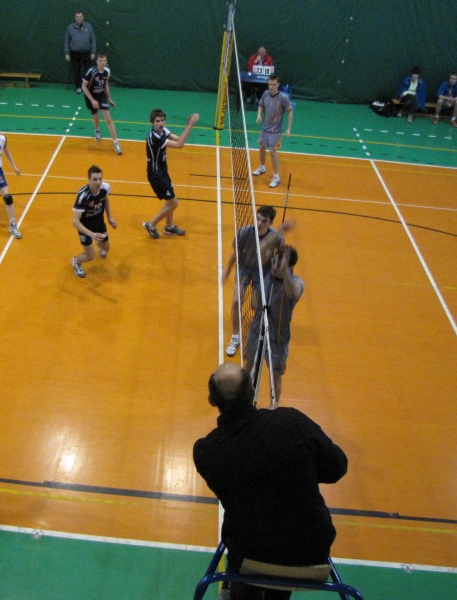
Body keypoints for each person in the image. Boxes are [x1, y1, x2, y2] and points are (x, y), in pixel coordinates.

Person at [193, 363, 348, 600]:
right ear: (252, 392)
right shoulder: (292, 423)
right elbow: (337, 468)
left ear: (212, 401)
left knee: (252, 551)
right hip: (310, 552)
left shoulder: (206, 452)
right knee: (280, 557)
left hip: (248, 557)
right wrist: (297, 465)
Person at [224, 205, 294, 357]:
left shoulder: (277, 238)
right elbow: (235, 253)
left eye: (264, 221)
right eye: (258, 219)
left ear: (271, 223)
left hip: (263, 271)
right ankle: (235, 338)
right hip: (243, 268)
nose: (260, 223)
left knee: (257, 305)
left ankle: (254, 336)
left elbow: (279, 257)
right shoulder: (245, 232)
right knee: (236, 300)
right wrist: (227, 271)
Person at [244, 245, 303, 407]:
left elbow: (294, 293)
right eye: (275, 262)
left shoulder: (296, 283)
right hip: (257, 331)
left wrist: (284, 273)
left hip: (277, 338)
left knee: (275, 375)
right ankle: (244, 400)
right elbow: (254, 304)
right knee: (249, 366)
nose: (275, 267)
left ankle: (273, 407)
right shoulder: (266, 277)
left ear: (290, 268)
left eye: (280, 265)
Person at [142, 109, 200, 239]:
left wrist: (188, 126)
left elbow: (179, 138)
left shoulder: (163, 131)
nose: (160, 123)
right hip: (156, 175)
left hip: (162, 172)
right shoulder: (155, 137)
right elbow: (179, 145)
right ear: (152, 122)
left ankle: (169, 227)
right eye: (157, 121)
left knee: (170, 200)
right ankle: (151, 225)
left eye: (162, 120)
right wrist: (190, 125)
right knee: (173, 203)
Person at [71, 165, 117, 278]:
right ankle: (76, 262)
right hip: (84, 226)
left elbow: (105, 199)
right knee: (90, 256)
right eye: (95, 179)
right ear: (89, 180)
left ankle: (98, 243)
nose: (98, 182)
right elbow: (75, 222)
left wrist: (110, 217)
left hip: (98, 222)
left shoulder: (105, 188)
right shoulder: (83, 196)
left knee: (106, 249)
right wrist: (91, 234)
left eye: (100, 179)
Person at [252, 75, 293, 189]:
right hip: (265, 129)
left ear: (278, 85)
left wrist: (288, 128)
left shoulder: (283, 98)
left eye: (274, 85)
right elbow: (260, 105)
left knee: (272, 151)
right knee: (262, 148)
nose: (271, 87)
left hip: (275, 131)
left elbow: (290, 112)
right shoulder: (265, 94)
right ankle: (262, 167)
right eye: (270, 84)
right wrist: (259, 115)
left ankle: (276, 176)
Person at [82, 54, 122, 155]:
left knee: (108, 119)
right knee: (95, 116)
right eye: (100, 60)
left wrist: (109, 99)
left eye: (104, 60)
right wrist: (92, 100)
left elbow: (106, 85)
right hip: (90, 96)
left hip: (101, 96)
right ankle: (97, 130)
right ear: (97, 61)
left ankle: (116, 143)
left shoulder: (107, 71)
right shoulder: (91, 71)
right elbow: (84, 86)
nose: (103, 62)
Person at [64, 11, 96, 94]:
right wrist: (67, 53)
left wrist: (93, 52)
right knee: (76, 71)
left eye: (80, 17)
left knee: (88, 71)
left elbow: (93, 40)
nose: (79, 18)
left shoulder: (89, 26)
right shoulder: (70, 27)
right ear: (75, 18)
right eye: (77, 17)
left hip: (87, 53)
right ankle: (78, 87)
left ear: (83, 17)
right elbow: (67, 41)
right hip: (75, 53)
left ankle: (88, 87)